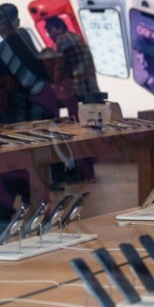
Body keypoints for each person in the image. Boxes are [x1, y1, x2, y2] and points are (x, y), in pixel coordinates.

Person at [0, 3, 57, 237]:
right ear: (18, 22)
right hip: (35, 117)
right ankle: (42, 215)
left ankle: (3, 218)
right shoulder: (31, 47)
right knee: (34, 165)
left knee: (3, 167)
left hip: (6, 118)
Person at [44, 15, 99, 183]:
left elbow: (60, 67)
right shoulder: (75, 37)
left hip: (77, 91)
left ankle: (84, 173)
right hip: (91, 91)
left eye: (49, 30)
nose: (49, 35)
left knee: (76, 133)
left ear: (58, 28)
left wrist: (53, 85)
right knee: (88, 132)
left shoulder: (63, 40)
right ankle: (89, 173)